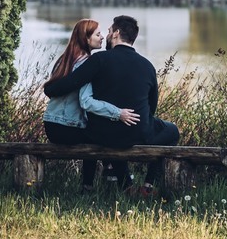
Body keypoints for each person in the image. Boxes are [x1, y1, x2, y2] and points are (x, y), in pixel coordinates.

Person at [44, 14, 180, 196]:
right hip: (136, 131)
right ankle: (148, 184)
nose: (105, 35)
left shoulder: (99, 60)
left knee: (108, 134)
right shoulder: (147, 66)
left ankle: (110, 184)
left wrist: (50, 89)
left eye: (108, 31)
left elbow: (71, 83)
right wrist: (139, 121)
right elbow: (151, 105)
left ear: (116, 33)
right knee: (172, 131)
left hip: (101, 133)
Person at [43, 18, 140, 192]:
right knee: (106, 135)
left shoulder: (65, 59)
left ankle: (89, 185)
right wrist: (118, 113)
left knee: (93, 131)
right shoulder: (85, 63)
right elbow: (86, 102)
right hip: (67, 127)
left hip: (52, 125)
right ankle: (125, 184)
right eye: (97, 34)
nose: (102, 37)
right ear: (86, 39)